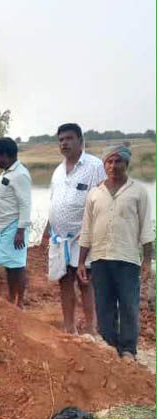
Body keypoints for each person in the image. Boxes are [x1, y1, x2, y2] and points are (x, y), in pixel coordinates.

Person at [77, 145, 154, 361]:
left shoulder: (138, 192)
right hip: (100, 258)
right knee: (104, 304)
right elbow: (87, 229)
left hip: (127, 259)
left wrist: (147, 260)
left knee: (128, 304)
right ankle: (110, 346)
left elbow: (146, 229)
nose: (113, 166)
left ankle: (128, 349)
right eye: (109, 162)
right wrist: (82, 261)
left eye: (118, 161)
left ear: (126, 163)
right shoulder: (95, 193)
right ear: (104, 165)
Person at [43, 123, 105, 335]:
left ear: (81, 141)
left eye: (69, 138)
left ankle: (91, 329)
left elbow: (103, 202)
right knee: (64, 280)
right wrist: (46, 232)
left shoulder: (94, 166)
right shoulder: (58, 171)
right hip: (59, 238)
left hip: (83, 237)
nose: (64, 143)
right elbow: (54, 203)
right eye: (61, 140)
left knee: (85, 281)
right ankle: (69, 328)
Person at [0, 137, 32, 308]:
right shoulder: (6, 173)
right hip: (3, 227)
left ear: (7, 155)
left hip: (14, 228)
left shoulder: (20, 175)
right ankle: (11, 299)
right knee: (9, 266)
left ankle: (19, 302)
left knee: (17, 266)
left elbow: (25, 205)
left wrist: (20, 231)